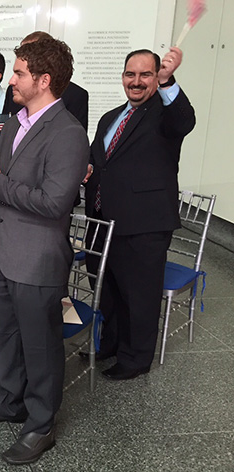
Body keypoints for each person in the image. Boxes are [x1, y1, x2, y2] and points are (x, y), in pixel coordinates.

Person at [0, 38, 89, 465]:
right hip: (1, 250)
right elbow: (4, 179)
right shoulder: (14, 121)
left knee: (41, 346)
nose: (10, 80)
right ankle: (9, 402)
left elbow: (54, 204)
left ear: (44, 80)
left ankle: (41, 425)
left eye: (17, 73)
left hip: (36, 257)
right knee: (7, 336)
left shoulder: (68, 133)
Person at [83, 47, 195, 380]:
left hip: (143, 223)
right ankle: (113, 343)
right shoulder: (110, 117)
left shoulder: (164, 113)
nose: (137, 81)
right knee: (110, 291)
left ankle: (135, 359)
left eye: (146, 74)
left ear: (157, 77)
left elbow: (184, 120)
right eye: (130, 74)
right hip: (103, 220)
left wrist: (168, 82)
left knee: (139, 296)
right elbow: (98, 159)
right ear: (122, 78)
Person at [3, 31, 89, 131]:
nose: (12, 81)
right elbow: (2, 124)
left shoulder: (75, 95)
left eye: (31, 51)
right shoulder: (12, 90)